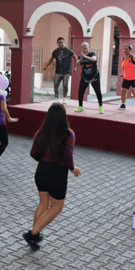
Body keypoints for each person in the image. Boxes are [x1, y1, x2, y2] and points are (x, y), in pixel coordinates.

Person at [24, 103, 81, 251]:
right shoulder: (68, 134)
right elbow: (68, 155)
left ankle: (35, 235)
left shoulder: (41, 132)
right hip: (57, 174)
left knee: (43, 203)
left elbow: (33, 153)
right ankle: (32, 234)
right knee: (57, 207)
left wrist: (43, 161)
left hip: (41, 171)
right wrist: (72, 168)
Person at [43, 37, 76, 104]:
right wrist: (46, 66)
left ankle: (64, 98)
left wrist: (75, 67)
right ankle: (56, 98)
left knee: (65, 85)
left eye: (62, 42)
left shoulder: (68, 51)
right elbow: (51, 59)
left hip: (66, 72)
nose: (61, 44)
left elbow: (75, 57)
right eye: (59, 43)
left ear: (64, 42)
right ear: (57, 43)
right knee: (55, 85)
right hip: (58, 71)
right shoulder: (55, 51)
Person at [75, 42, 104, 114]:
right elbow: (77, 63)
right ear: (81, 48)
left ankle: (100, 107)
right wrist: (81, 58)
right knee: (81, 92)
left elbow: (94, 59)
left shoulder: (92, 54)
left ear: (88, 47)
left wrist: (85, 57)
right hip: (85, 77)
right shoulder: (81, 56)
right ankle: (80, 106)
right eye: (83, 46)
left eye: (86, 46)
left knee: (98, 91)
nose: (84, 47)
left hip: (94, 76)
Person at [118, 44, 135, 111]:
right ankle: (123, 104)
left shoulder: (134, 57)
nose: (126, 50)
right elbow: (126, 68)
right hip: (127, 78)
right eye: (125, 49)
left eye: (127, 49)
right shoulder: (123, 59)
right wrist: (123, 74)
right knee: (123, 91)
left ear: (130, 50)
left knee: (134, 91)